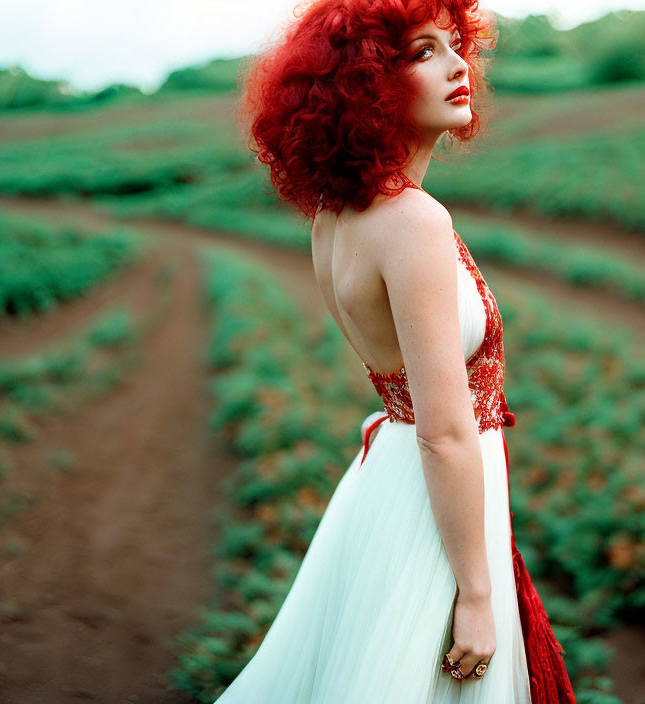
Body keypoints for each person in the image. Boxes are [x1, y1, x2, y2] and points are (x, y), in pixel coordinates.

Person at [216, 0, 578, 701]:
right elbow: (445, 433)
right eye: (422, 52)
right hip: (431, 503)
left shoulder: (335, 217)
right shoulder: (413, 221)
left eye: (456, 45)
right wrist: (476, 594)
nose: (457, 67)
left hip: (388, 484)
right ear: (368, 85)